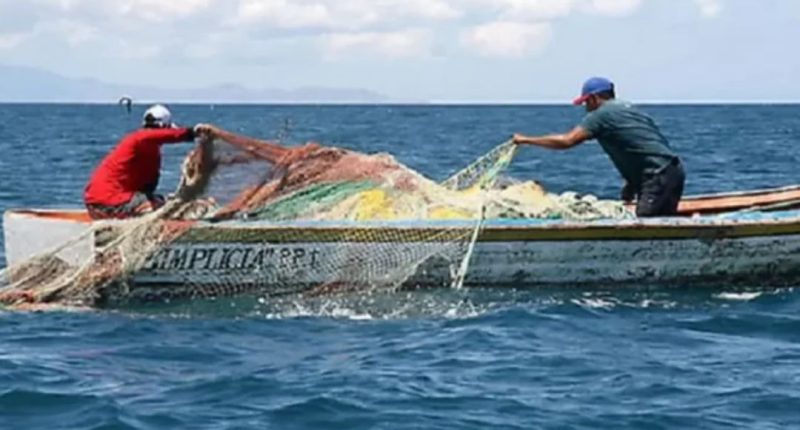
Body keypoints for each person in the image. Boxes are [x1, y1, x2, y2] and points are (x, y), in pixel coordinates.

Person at [512, 77, 685, 217]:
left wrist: (526, 140)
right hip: (672, 170)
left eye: (586, 103)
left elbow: (567, 141)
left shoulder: (601, 115)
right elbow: (642, 145)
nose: (586, 108)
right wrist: (632, 184)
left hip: (657, 176)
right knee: (661, 219)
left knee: (647, 226)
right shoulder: (630, 109)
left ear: (594, 98)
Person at [84, 104, 212, 219]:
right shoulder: (140, 139)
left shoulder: (147, 148)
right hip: (107, 203)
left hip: (97, 204)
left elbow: (148, 187)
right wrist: (193, 133)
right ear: (163, 127)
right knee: (162, 208)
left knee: (162, 202)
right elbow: (171, 135)